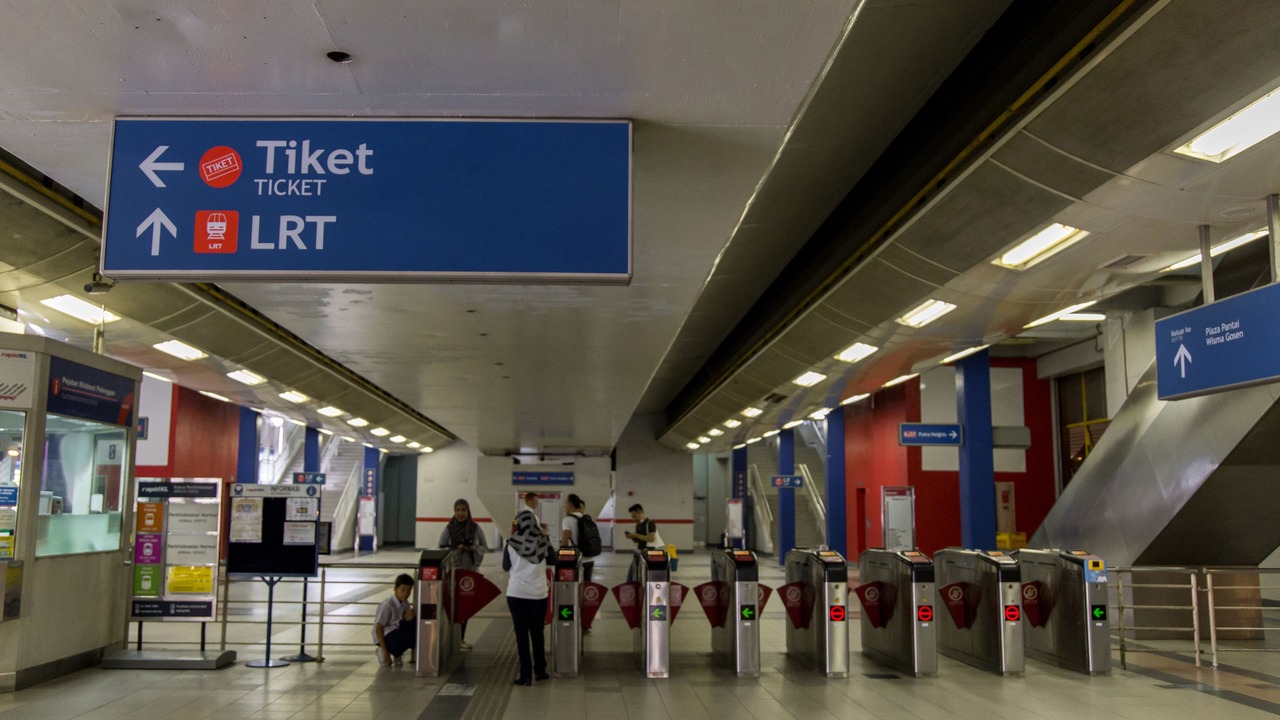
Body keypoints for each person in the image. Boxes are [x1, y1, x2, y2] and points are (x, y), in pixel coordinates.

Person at [506, 492, 550, 685]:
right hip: (538, 593)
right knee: (537, 633)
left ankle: (525, 675)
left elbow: (506, 566)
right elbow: (555, 560)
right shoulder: (544, 541)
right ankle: (540, 671)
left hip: (516, 593)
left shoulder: (511, 543)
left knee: (521, 636)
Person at [438, 498, 487, 650]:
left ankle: (461, 639)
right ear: (454, 511)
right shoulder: (448, 529)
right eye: (457, 510)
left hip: (469, 574)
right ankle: (449, 638)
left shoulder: (475, 528)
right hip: (453, 574)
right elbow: (440, 548)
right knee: (451, 607)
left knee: (465, 608)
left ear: (468, 511)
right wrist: (456, 548)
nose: (460, 513)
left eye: (463, 510)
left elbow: (484, 547)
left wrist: (472, 548)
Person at [373, 573, 416, 667]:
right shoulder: (387, 605)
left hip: (396, 629)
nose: (406, 594)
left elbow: (403, 618)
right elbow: (378, 629)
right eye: (402, 590)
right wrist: (386, 653)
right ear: (395, 589)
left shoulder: (405, 603)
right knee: (410, 638)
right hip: (385, 634)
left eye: (408, 591)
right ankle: (384, 650)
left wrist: (410, 614)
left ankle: (397, 652)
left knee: (416, 626)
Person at [560, 493, 595, 584]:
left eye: (566, 503)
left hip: (577, 559)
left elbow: (564, 543)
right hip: (590, 558)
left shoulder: (567, 520)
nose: (564, 506)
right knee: (587, 586)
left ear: (570, 505)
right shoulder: (586, 518)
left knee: (575, 586)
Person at [624, 503, 659, 582]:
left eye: (635, 516)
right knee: (632, 575)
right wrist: (632, 537)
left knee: (646, 577)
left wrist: (636, 535)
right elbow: (638, 540)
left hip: (648, 553)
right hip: (639, 552)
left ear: (640, 512)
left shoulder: (650, 523)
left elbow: (651, 538)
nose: (634, 519)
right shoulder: (638, 525)